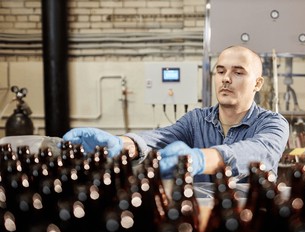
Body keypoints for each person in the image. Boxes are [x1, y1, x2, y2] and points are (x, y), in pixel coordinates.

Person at [63, 45, 289, 183]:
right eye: (220, 71)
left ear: (257, 83)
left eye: (238, 72)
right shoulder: (197, 120)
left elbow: (258, 152)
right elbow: (161, 138)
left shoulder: (273, 124)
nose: (226, 78)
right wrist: (121, 143)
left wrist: (201, 158)